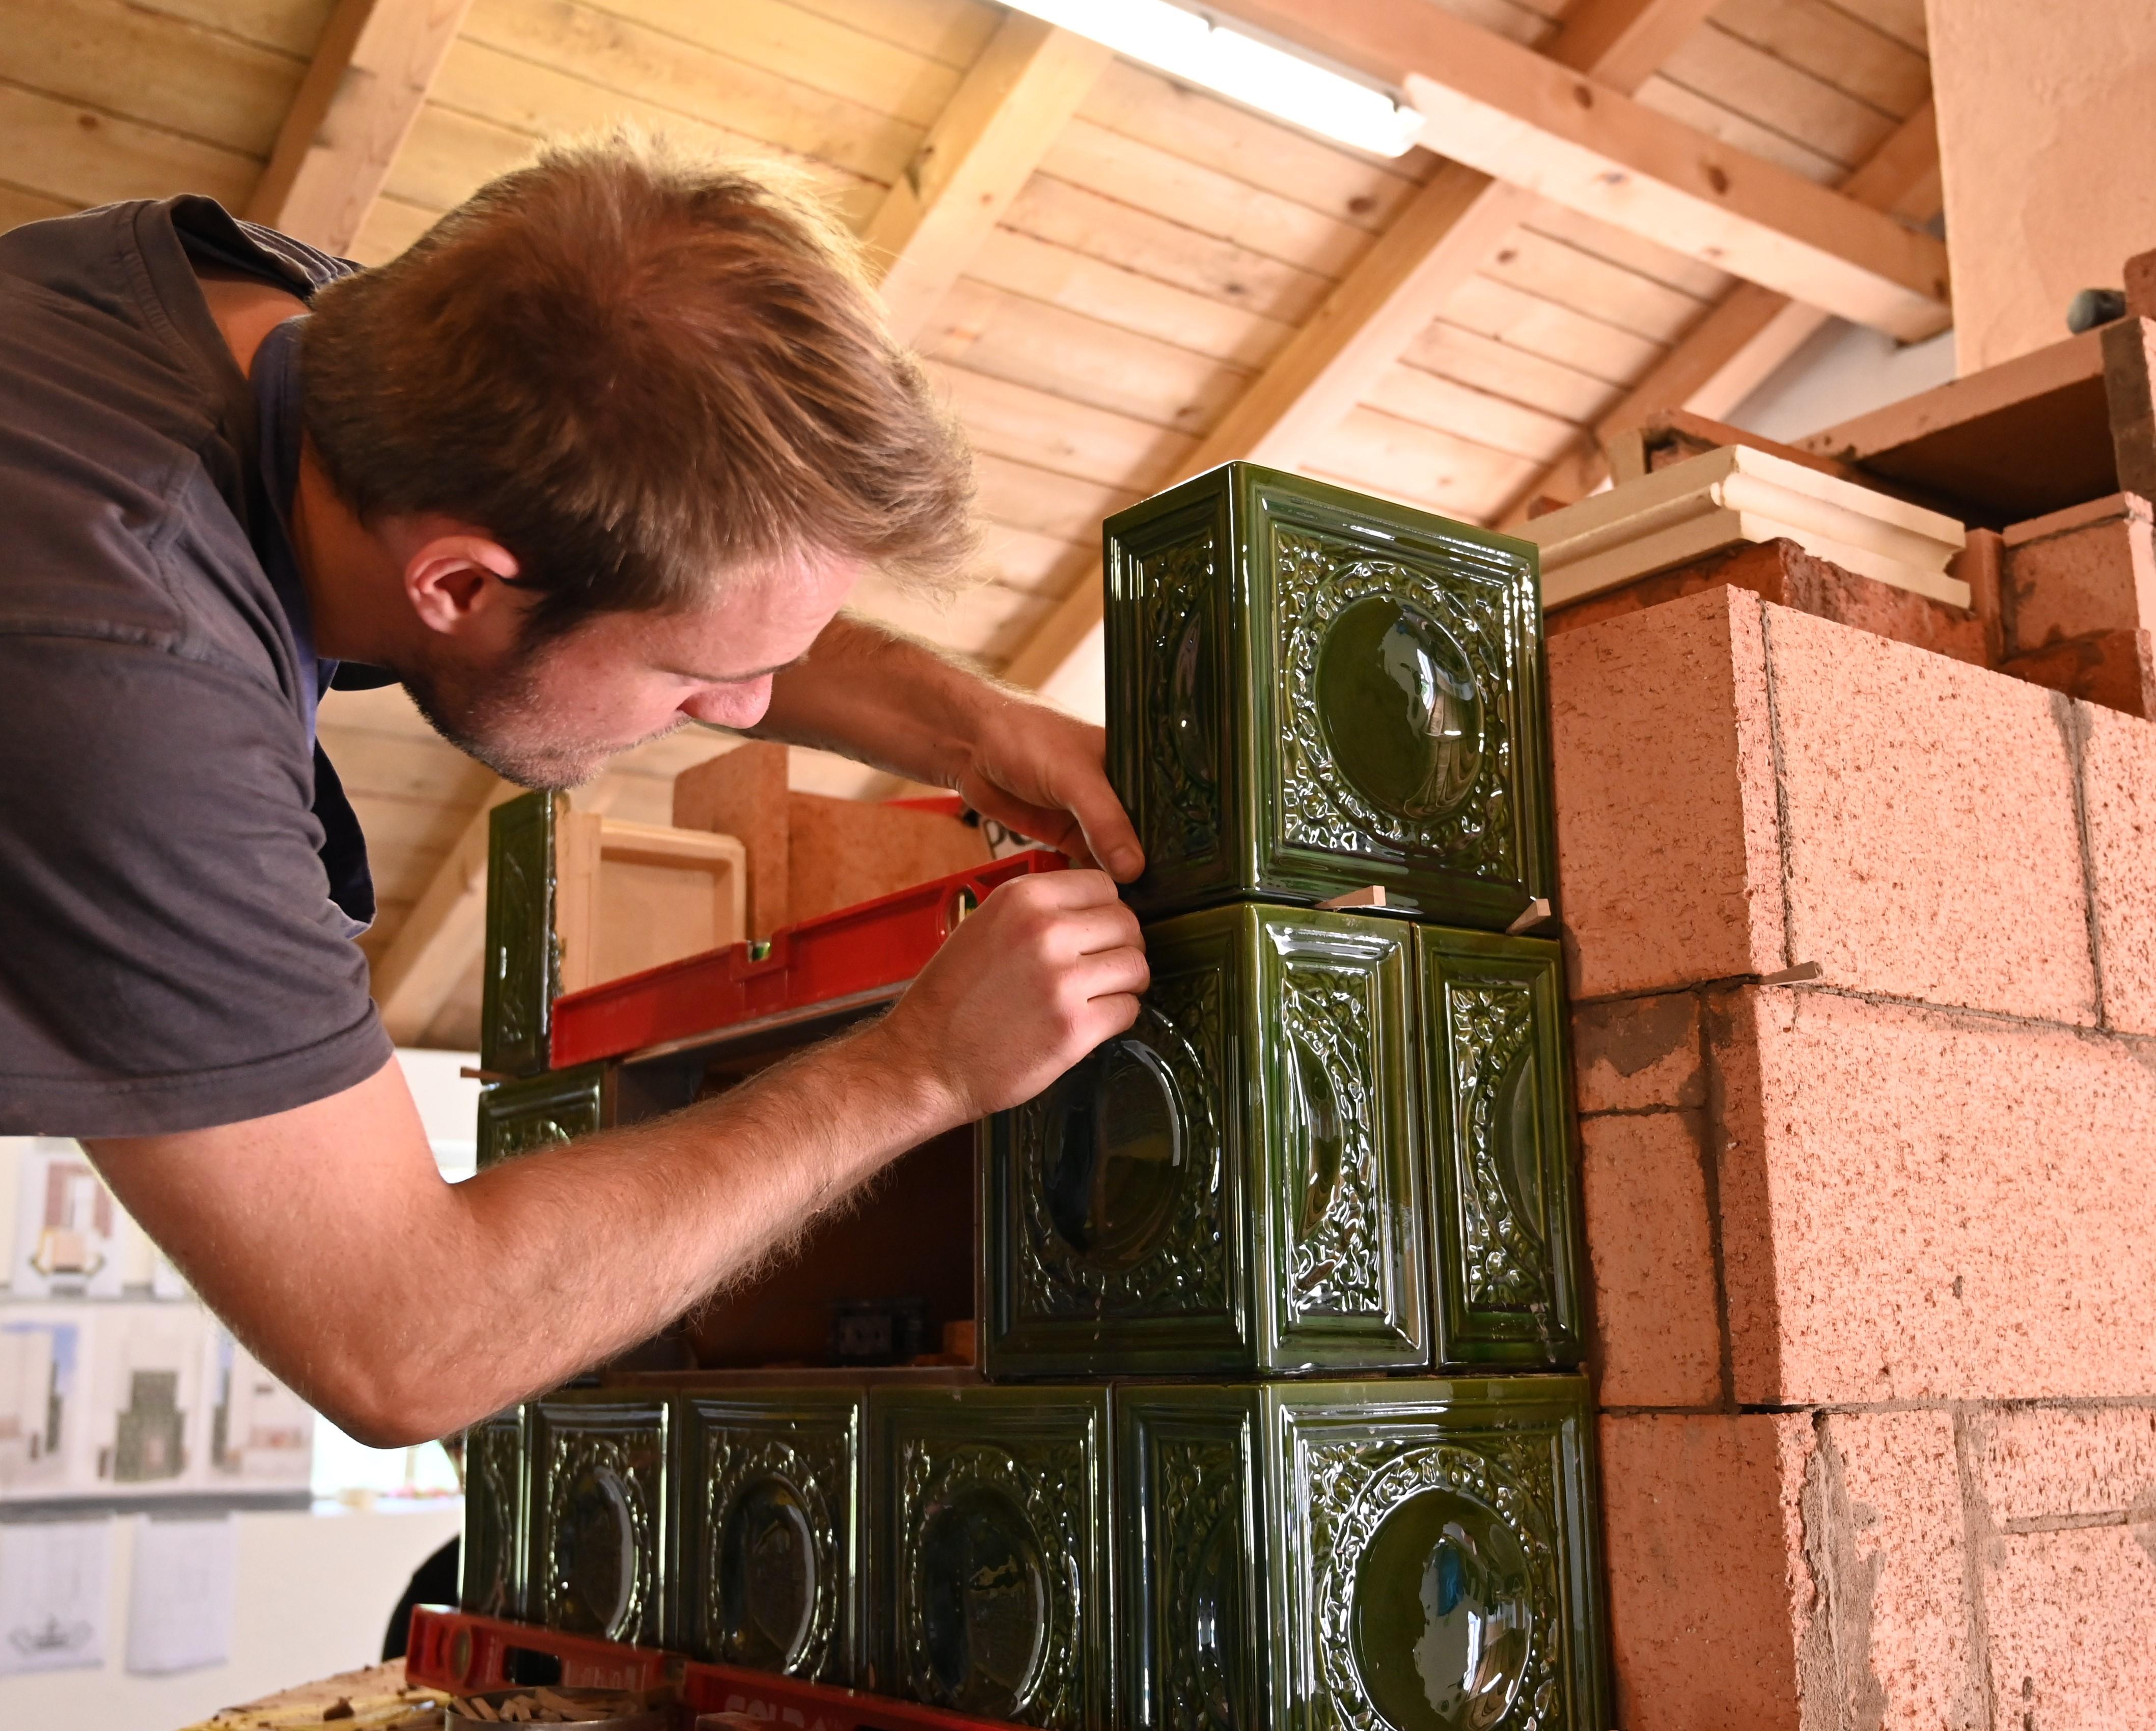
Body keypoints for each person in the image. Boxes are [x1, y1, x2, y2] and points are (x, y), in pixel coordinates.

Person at [0, 132, 1148, 1447]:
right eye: (693, 675)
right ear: (462, 586)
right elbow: (399, 1340)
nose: (749, 710)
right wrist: (920, 1068)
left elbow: (663, 563)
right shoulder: (123, 686)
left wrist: (971, 724)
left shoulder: (361, 353)